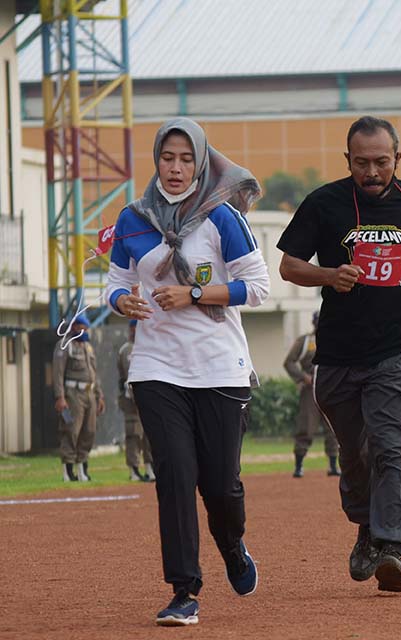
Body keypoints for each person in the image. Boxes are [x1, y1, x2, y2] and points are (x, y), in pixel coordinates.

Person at [105, 117, 269, 626]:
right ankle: (184, 591)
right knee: (175, 476)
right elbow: (112, 283)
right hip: (157, 367)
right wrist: (121, 301)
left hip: (220, 368)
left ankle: (233, 545)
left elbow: (258, 287)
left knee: (220, 486)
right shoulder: (132, 219)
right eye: (167, 158)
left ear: (200, 163)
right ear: (155, 160)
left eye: (185, 159)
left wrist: (194, 293)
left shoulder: (221, 217)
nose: (175, 169)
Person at [277, 115, 401, 594]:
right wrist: (330, 275)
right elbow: (289, 266)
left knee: (394, 442)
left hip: (395, 346)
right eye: (362, 163)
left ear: (398, 158)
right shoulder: (324, 204)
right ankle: (368, 526)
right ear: (347, 160)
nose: (372, 173)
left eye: (382, 162)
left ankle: (393, 545)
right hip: (336, 353)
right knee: (355, 452)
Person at [285, 311, 340, 478]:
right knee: (306, 426)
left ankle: (333, 466)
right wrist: (303, 377)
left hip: (331, 388)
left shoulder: (336, 339)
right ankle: (299, 466)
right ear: (314, 323)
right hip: (311, 389)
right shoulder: (306, 341)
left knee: (334, 428)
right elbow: (289, 362)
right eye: (318, 322)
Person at [52, 312, 105, 482]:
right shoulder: (64, 345)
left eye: (86, 328)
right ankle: (68, 471)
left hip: (89, 393)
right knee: (71, 431)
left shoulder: (87, 347)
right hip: (73, 394)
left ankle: (83, 469)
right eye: (82, 328)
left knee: (89, 431)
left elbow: (94, 373)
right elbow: (58, 373)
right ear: (74, 327)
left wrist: (99, 396)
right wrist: (60, 397)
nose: (85, 331)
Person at [117, 319, 155, 482]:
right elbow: (128, 376)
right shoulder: (127, 350)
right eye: (132, 328)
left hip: (149, 398)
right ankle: (134, 470)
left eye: (136, 328)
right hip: (132, 400)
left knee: (150, 435)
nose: (134, 331)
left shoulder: (149, 347)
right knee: (134, 435)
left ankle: (149, 468)